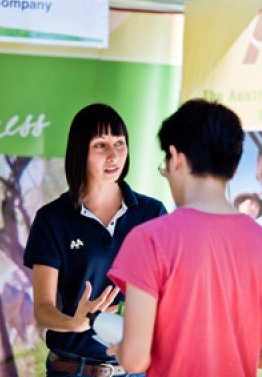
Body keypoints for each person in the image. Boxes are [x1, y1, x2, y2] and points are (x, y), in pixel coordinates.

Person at [106, 98, 262, 376]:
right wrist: (228, 348)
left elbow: (136, 359)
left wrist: (125, 347)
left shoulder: (149, 239)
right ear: (233, 168)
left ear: (175, 158)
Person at [23, 103, 167, 377]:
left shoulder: (152, 213)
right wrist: (74, 322)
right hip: (71, 368)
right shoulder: (52, 218)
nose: (113, 155)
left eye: (120, 143)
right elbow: (43, 310)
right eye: (100, 145)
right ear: (80, 151)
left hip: (135, 370)